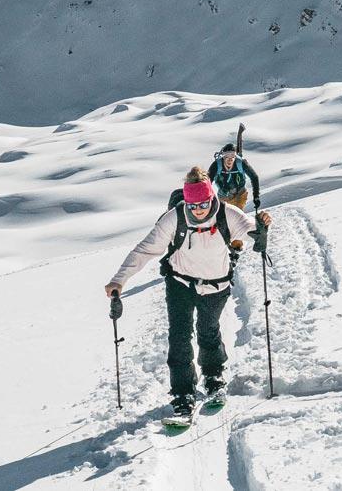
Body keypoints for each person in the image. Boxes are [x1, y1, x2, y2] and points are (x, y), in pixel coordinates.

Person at [105, 168, 271, 422]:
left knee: (208, 330)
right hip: (180, 283)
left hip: (216, 285)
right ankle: (183, 392)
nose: (199, 210)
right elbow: (144, 250)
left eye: (204, 203)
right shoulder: (175, 218)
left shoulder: (227, 213)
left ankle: (213, 375)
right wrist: (119, 281)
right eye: (193, 205)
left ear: (211, 198)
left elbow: (249, 228)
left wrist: (261, 228)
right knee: (179, 336)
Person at [207, 143, 260, 210]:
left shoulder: (241, 163)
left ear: (235, 156)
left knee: (237, 215)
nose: (230, 159)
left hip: (240, 194)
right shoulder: (216, 165)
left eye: (232, 155)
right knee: (223, 216)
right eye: (227, 155)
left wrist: (256, 196)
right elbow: (207, 182)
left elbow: (254, 177)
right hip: (223, 195)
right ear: (223, 156)